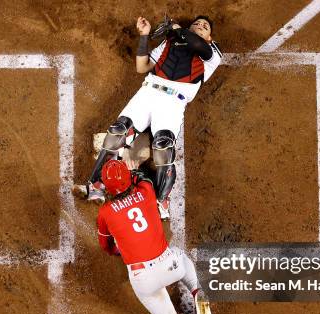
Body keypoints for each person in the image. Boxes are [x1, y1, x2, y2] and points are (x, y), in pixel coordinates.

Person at [74, 15, 223, 220]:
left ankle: (161, 202)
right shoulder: (169, 42)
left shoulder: (212, 53)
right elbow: (141, 67)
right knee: (116, 133)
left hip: (172, 103)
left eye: (205, 26)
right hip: (148, 94)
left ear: (210, 36)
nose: (199, 26)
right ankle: (97, 186)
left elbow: (198, 44)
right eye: (196, 24)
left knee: (163, 147)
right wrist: (144, 36)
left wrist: (177, 27)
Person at [96, 160, 213, 314]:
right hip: (168, 265)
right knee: (182, 258)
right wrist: (134, 166)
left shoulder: (105, 213)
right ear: (129, 181)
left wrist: (122, 249)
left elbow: (107, 248)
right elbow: (143, 177)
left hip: (143, 279)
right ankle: (198, 296)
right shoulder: (145, 191)